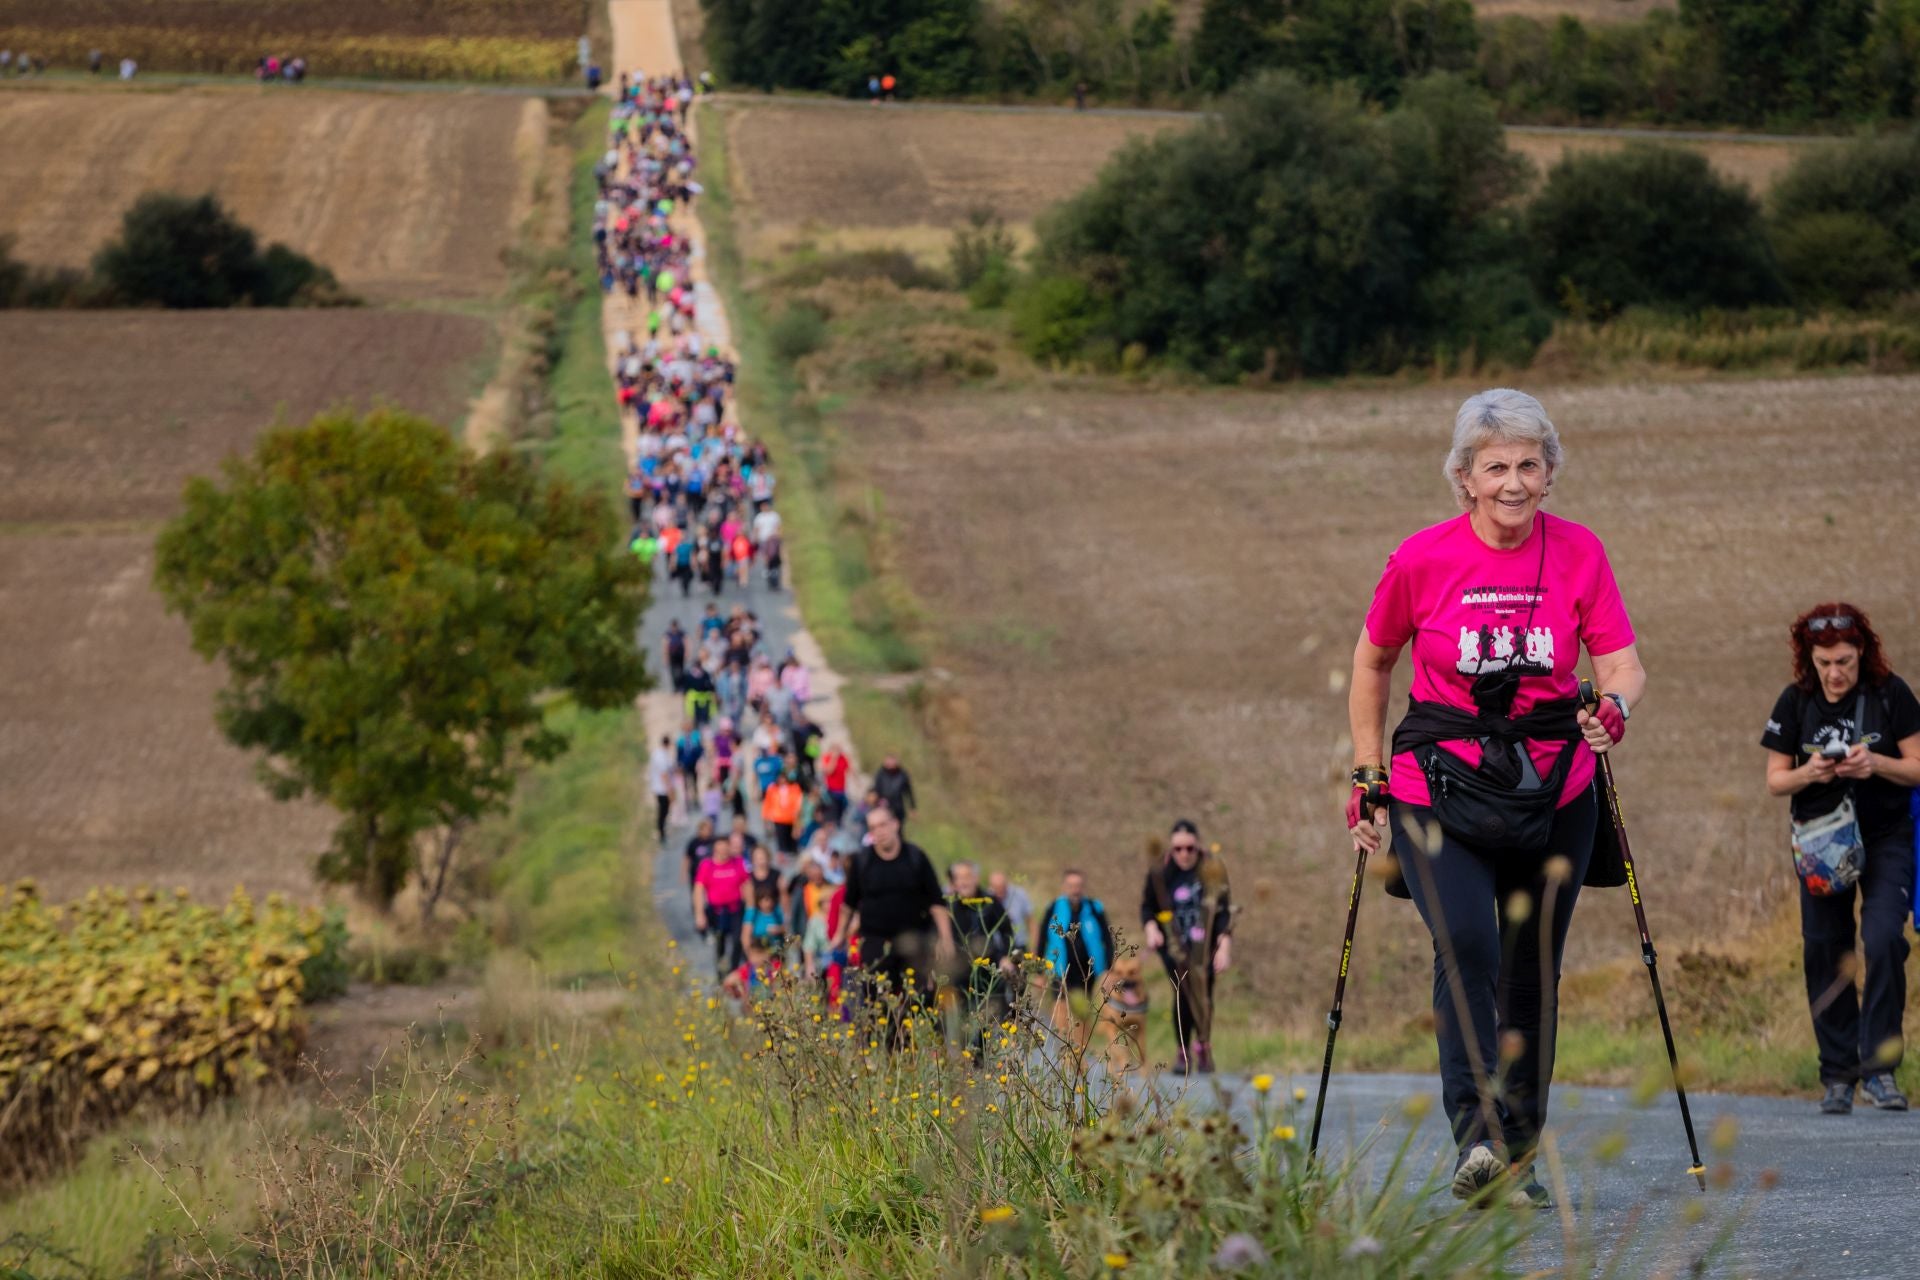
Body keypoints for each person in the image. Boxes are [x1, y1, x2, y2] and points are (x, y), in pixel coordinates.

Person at [1347, 388, 1640, 1209]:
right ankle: (1475, 1138)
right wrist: (1367, 773)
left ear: (1549, 473)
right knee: (1469, 942)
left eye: (1529, 465)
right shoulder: (1421, 559)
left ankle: (1517, 1151)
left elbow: (1622, 662)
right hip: (1437, 783)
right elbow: (1372, 663)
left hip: (1556, 785)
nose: (1514, 482)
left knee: (1530, 970)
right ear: (1465, 478)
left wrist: (1613, 707)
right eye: (1496, 467)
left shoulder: (1580, 552)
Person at [1761, 603, 1920, 1114]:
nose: (1836, 673)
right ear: (1810, 659)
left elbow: (1917, 767)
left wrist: (1876, 763)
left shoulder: (1891, 694)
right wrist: (1811, 773)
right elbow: (1774, 780)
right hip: (1820, 844)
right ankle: (1837, 1074)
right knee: (1825, 951)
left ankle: (1880, 1071)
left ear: (1862, 655)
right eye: (1826, 662)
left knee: (1883, 940)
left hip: (1886, 837)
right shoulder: (1795, 701)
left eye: (1845, 662)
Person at [832, 804, 955, 1049]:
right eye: (873, 827)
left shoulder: (916, 858)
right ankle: (884, 1053)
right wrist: (839, 934)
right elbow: (849, 904)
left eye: (883, 824)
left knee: (920, 996)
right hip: (876, 941)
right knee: (875, 999)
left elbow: (937, 904)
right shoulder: (862, 862)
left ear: (895, 824)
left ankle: (917, 1049)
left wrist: (946, 939)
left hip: (914, 939)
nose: (879, 831)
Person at [1141, 821, 1233, 1075]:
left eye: (1189, 848)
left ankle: (1203, 1045)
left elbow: (1224, 910)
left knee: (1204, 993)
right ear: (1171, 849)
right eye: (1178, 848)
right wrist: (1151, 928)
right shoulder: (1160, 871)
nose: (1184, 854)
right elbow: (1148, 906)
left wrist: (1224, 945)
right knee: (1181, 991)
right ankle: (1183, 1051)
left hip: (1206, 946)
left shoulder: (1211, 869)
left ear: (1198, 846)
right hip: (1174, 945)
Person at [947, 861, 1016, 1059]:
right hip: (961, 971)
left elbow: (1006, 932)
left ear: (976, 878)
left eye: (967, 877)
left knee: (988, 1016)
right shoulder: (949, 905)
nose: (963, 882)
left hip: (988, 970)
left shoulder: (990, 902)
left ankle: (981, 1057)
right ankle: (965, 1059)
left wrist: (1004, 956)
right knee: (962, 1017)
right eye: (958, 878)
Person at [1036, 870, 1113, 1018]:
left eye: (1078, 886)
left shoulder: (1094, 908)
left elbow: (1108, 939)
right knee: (1061, 1011)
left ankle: (1083, 1040)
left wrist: (1109, 970)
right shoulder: (1053, 907)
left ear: (1083, 887)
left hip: (1089, 971)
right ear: (1064, 887)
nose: (1075, 890)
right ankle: (1064, 1039)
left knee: (1084, 1013)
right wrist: (1039, 973)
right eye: (1071, 886)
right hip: (1059, 971)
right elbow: (1041, 939)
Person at [693, 834, 750, 975]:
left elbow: (747, 885)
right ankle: (721, 974)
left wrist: (751, 908)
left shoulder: (738, 862)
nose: (724, 853)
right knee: (720, 943)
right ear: (715, 850)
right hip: (716, 911)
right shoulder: (707, 865)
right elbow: (699, 890)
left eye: (726, 849)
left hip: (735, 909)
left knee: (738, 941)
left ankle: (734, 971)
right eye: (720, 850)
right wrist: (699, 914)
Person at [987, 871, 1033, 954]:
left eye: (1002, 887)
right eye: (995, 888)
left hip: (1019, 946)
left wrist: (1034, 949)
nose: (999, 891)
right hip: (996, 950)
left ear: (1007, 884)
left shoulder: (1019, 894)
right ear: (990, 887)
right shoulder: (986, 898)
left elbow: (1031, 922)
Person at [873, 754, 917, 829]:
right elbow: (876, 790)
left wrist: (912, 807)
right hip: (884, 807)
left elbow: (909, 792)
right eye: (889, 760)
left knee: (898, 829)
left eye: (892, 760)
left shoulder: (902, 774)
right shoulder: (880, 774)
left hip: (898, 808)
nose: (891, 763)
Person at [646, 735, 676, 841]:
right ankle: (661, 832)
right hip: (662, 789)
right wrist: (670, 791)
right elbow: (664, 775)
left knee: (663, 810)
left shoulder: (658, 754)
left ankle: (662, 830)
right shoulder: (661, 756)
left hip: (659, 787)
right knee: (663, 810)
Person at [662, 619, 688, 690]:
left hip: (680, 654)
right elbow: (665, 646)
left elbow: (686, 643)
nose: (674, 628)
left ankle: (681, 686)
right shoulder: (668, 634)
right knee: (673, 672)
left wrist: (686, 654)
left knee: (681, 671)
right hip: (672, 655)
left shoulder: (681, 633)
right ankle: (675, 687)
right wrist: (665, 657)